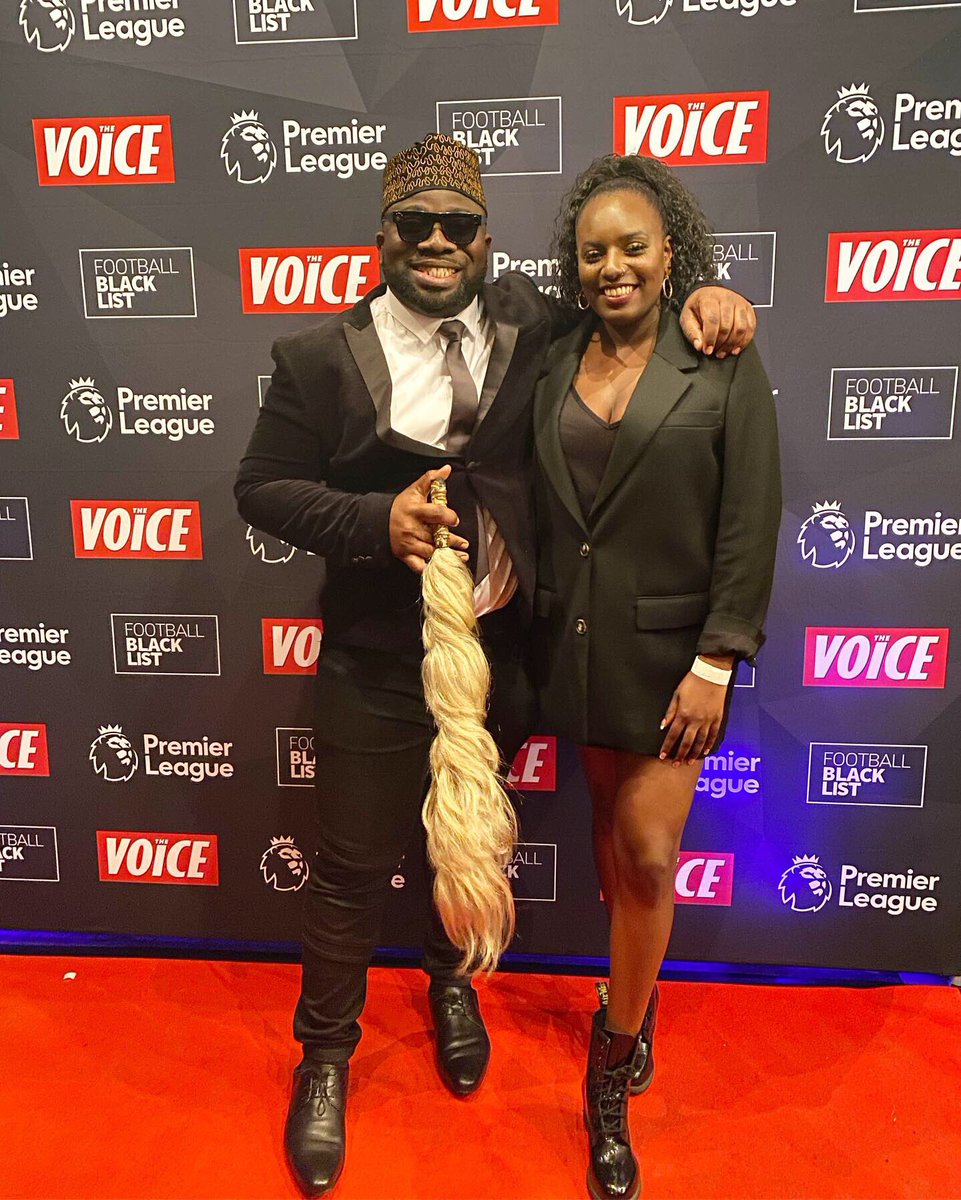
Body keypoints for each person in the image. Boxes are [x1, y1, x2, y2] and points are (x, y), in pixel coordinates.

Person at [234, 133, 757, 1198]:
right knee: (345, 869)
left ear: (485, 238)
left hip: (506, 653)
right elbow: (262, 490)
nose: (435, 244)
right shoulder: (316, 356)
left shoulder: (537, 323)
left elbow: (637, 304)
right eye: (412, 225)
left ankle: (450, 984)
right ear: (383, 235)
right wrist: (375, 520)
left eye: (457, 226)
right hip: (379, 659)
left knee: (464, 843)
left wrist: (711, 295)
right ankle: (324, 1060)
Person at [531, 154, 781, 1200]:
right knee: (607, 843)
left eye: (633, 246)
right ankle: (632, 1004)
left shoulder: (717, 359)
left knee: (641, 854)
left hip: (674, 659)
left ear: (670, 251)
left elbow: (749, 517)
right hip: (574, 653)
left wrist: (716, 662)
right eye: (593, 251)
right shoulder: (550, 358)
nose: (612, 266)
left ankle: (611, 1056)